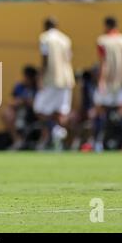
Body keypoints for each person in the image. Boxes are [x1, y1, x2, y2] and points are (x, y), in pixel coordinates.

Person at [93, 16, 122, 153]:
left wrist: (101, 81)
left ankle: (98, 143)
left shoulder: (102, 41)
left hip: (108, 80)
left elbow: (103, 63)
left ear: (106, 26)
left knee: (100, 110)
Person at [33, 17, 75, 151]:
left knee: (39, 108)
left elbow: (45, 59)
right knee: (61, 112)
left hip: (51, 79)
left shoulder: (45, 38)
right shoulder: (65, 39)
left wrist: (40, 76)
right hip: (66, 79)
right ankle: (57, 138)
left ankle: (55, 130)